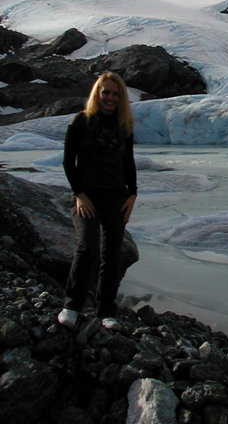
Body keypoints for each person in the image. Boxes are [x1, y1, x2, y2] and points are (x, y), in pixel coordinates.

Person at [58, 72, 137, 330]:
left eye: (116, 94)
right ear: (97, 94)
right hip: (87, 197)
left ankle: (106, 311)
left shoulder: (124, 125)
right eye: (106, 93)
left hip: (116, 197)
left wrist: (132, 194)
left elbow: (128, 163)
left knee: (111, 254)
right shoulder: (80, 122)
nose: (111, 98)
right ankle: (72, 305)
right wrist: (80, 195)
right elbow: (68, 162)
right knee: (87, 246)